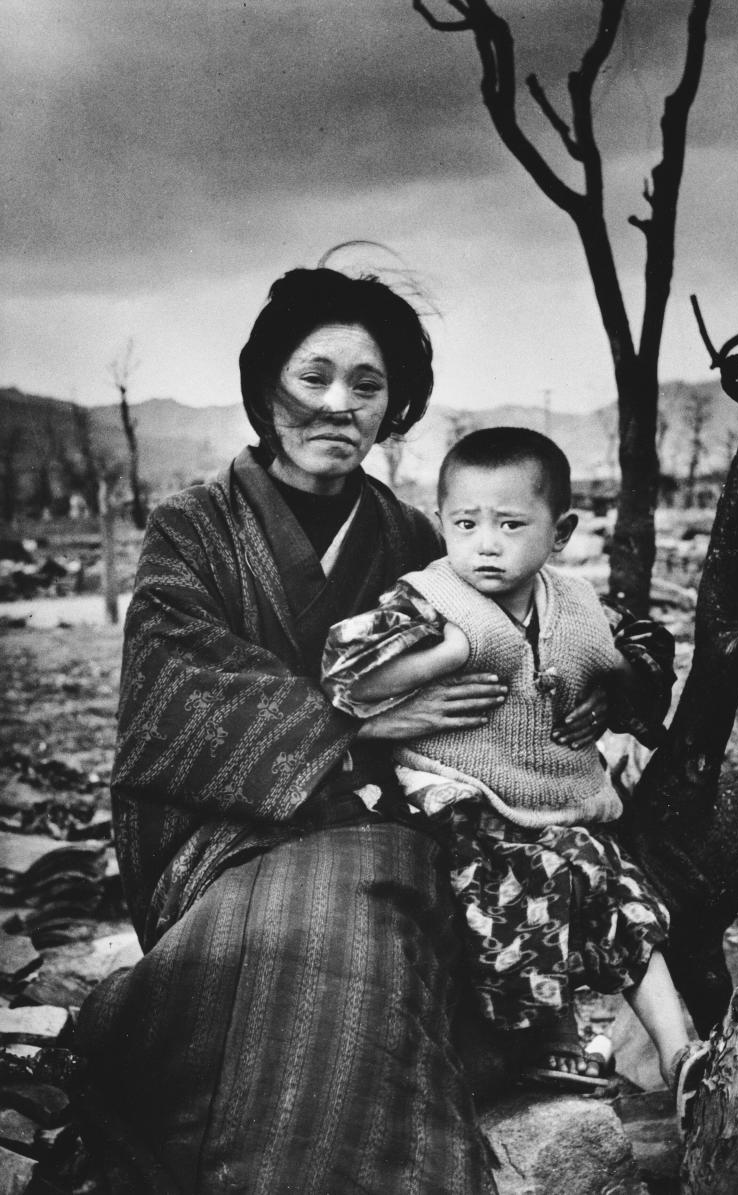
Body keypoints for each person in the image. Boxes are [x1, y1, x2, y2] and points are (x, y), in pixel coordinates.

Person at [74, 265, 548, 1193]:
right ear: (266, 387)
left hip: (383, 825)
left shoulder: (415, 538)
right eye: (313, 376)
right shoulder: (192, 531)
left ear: (393, 404)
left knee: (364, 906)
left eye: (367, 385)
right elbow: (178, 694)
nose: (338, 405)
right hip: (219, 837)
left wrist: (598, 672)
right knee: (326, 923)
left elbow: (507, 639)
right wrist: (365, 714)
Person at [321, 428, 708, 1121]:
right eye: (465, 524)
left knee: (622, 891)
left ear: (560, 532)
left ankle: (684, 1057)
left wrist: (613, 692)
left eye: (509, 524)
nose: (485, 544)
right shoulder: (430, 599)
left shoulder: (578, 603)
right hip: (458, 799)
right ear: (442, 523)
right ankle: (543, 1039)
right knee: (534, 878)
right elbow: (348, 680)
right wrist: (449, 652)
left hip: (551, 799)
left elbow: (639, 671)